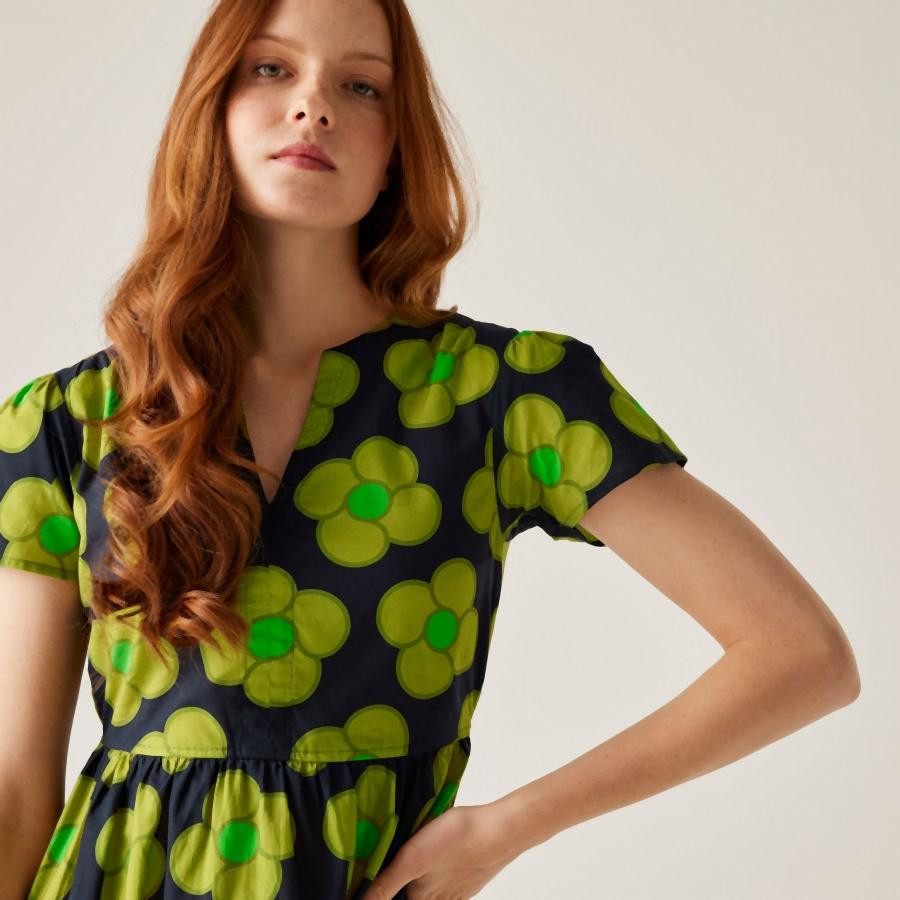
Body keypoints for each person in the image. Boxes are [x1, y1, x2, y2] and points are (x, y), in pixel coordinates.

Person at [0, 0, 860, 898]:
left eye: (361, 86)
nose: (313, 106)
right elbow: (16, 796)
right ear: (208, 110)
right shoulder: (65, 421)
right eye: (271, 69)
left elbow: (802, 654)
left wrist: (508, 826)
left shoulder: (504, 395)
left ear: (396, 154)